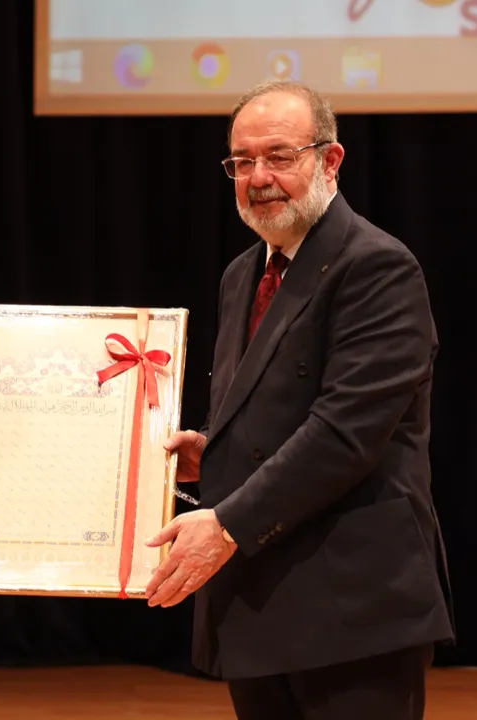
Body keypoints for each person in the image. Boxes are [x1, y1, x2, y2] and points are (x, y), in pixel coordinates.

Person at [144, 80, 455, 719]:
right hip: (260, 601)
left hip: (353, 606)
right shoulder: (242, 275)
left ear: (330, 160)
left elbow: (344, 433)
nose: (259, 178)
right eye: (242, 161)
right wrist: (213, 452)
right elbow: (268, 409)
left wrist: (225, 524)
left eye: (280, 157)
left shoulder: (377, 266)